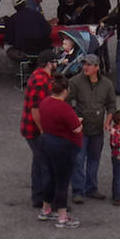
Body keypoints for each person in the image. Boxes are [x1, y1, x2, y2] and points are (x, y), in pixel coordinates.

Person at [68, 54, 116, 203]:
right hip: (80, 129)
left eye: (89, 64)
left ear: (97, 67)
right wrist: (74, 119)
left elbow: (111, 105)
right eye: (84, 64)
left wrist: (108, 121)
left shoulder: (107, 84)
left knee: (94, 159)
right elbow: (67, 102)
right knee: (78, 159)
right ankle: (78, 191)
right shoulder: (74, 82)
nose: (86, 67)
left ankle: (91, 188)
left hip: (97, 130)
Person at [37, 76, 83, 228]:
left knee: (48, 176)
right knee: (62, 181)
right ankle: (62, 216)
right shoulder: (64, 108)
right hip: (63, 146)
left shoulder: (45, 102)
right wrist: (79, 120)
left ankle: (46, 209)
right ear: (65, 90)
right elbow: (76, 128)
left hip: (46, 142)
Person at [20, 49, 57, 209]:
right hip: (35, 130)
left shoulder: (39, 76)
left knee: (38, 162)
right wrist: (43, 130)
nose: (56, 64)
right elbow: (36, 110)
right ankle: (48, 200)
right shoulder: (41, 81)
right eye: (54, 61)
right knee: (46, 164)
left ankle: (37, 197)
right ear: (49, 64)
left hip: (30, 128)